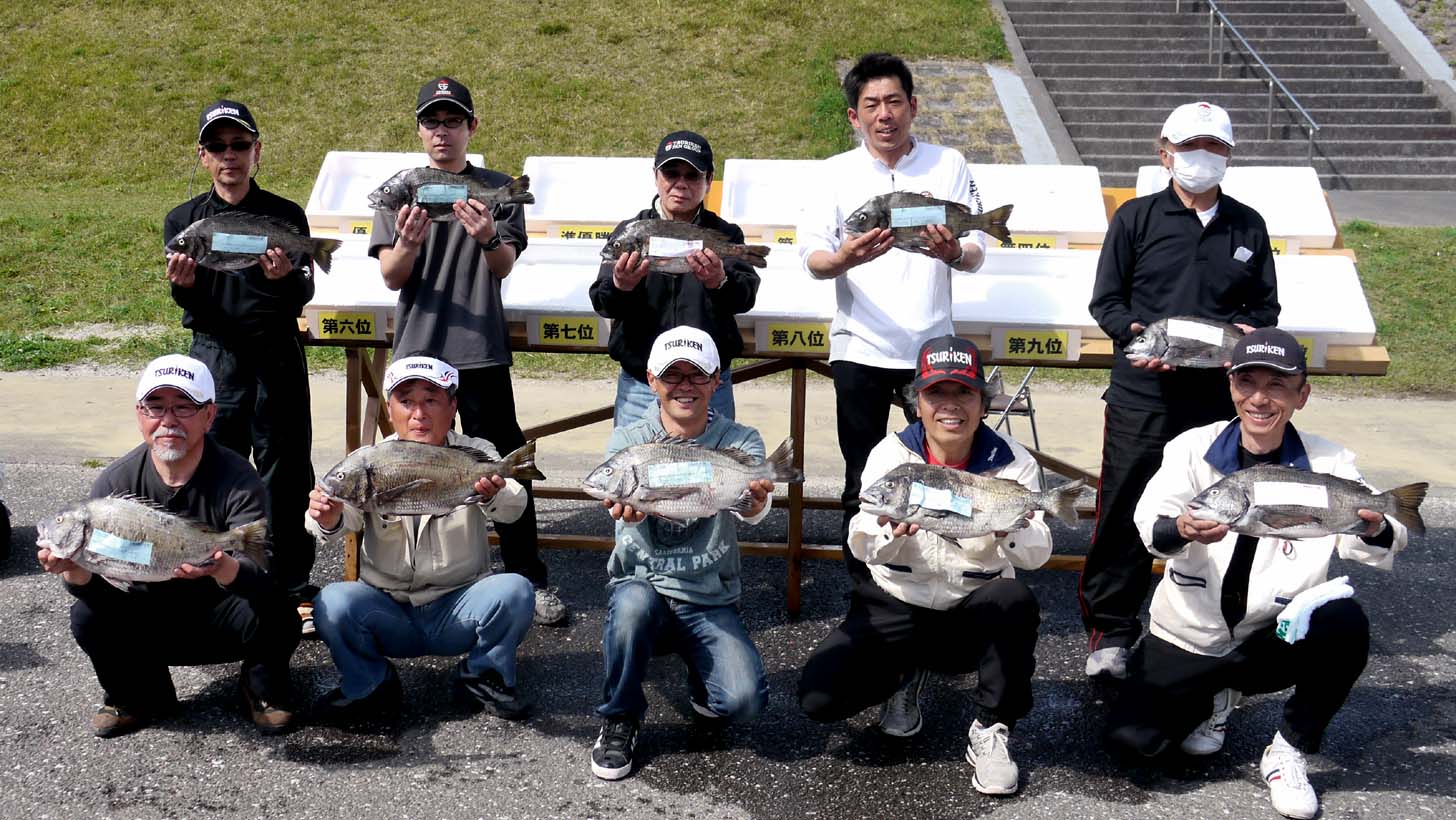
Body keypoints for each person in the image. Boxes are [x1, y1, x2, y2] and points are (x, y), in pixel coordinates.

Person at [1106, 328, 1410, 820]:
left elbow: (1387, 536)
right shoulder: (1191, 447)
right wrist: (1181, 528)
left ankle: (1289, 749)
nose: (1260, 399)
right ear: (1231, 386)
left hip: (1274, 637)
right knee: (1132, 744)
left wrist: (1374, 524)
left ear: (1301, 396)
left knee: (1344, 622)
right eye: (1247, 382)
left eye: (1278, 386)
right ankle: (1215, 696)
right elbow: (1149, 527)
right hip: (1191, 634)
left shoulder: (1330, 461)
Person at [1081, 101, 1280, 679]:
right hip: (1142, 394)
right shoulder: (1136, 218)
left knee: (1215, 509)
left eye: (1215, 147)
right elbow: (1106, 301)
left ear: (1229, 156)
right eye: (1191, 146)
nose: (1203, 157)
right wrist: (1133, 334)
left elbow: (1264, 307)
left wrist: (1248, 331)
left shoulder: (1248, 224)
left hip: (1216, 398)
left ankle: (1201, 628)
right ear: (1164, 152)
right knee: (1124, 509)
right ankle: (1111, 630)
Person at [798, 336, 1048, 796]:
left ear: (983, 403)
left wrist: (1005, 530)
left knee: (1013, 599)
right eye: (936, 393)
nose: (950, 406)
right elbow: (861, 540)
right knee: (819, 699)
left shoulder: (1013, 462)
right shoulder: (892, 457)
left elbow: (1036, 555)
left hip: (970, 608)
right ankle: (902, 675)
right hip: (898, 602)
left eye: (964, 393)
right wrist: (890, 532)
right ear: (917, 404)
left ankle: (992, 728)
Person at [369, 77, 565, 627]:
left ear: (471, 127)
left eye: (453, 120)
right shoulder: (402, 189)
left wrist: (487, 237)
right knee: (413, 467)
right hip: (418, 349)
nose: (442, 131)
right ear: (419, 129)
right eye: (432, 121)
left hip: (479, 349)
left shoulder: (497, 188)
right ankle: (410, 577)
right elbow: (391, 275)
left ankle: (528, 576)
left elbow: (502, 266)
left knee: (506, 461)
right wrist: (407, 243)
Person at [796, 52, 989, 576]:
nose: (885, 114)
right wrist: (844, 258)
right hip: (859, 347)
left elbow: (976, 251)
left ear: (913, 107)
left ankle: (937, 584)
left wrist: (954, 252)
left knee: (942, 474)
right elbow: (812, 258)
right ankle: (865, 592)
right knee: (862, 480)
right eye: (872, 104)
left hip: (933, 353)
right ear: (854, 116)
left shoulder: (948, 164)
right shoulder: (834, 173)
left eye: (895, 102)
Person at [36, 355, 299, 737]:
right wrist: (75, 571)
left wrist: (222, 567)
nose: (168, 420)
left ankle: (262, 688)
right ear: (139, 414)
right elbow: (101, 587)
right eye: (155, 407)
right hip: (146, 617)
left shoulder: (238, 476)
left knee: (281, 611)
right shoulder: (114, 484)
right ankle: (135, 696)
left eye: (183, 407)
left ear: (209, 416)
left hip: (219, 615)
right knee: (86, 617)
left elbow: (262, 567)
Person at [305, 354, 534, 725]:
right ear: (390, 409)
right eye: (406, 401)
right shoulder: (368, 461)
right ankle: (369, 684)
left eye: (431, 400)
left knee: (516, 591)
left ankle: (483, 675)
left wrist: (492, 494)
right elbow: (334, 521)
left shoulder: (476, 451)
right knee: (332, 602)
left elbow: (514, 507)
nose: (419, 414)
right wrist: (327, 517)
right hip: (388, 611)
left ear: (452, 407)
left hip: (458, 608)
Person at [588, 326, 772, 782]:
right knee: (632, 606)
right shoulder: (629, 442)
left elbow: (753, 511)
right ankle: (620, 716)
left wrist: (756, 497)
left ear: (716, 381)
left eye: (697, 375)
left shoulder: (741, 440)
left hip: (709, 594)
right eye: (673, 375)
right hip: (643, 585)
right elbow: (622, 502)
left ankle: (701, 675)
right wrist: (629, 514)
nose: (684, 386)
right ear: (652, 380)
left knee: (743, 702)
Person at [164, 100, 318, 627]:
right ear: (203, 155)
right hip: (214, 357)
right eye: (218, 146)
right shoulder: (183, 221)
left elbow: (302, 293)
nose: (229, 155)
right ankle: (212, 578)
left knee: (286, 473)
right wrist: (184, 288)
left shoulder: (285, 215)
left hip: (276, 352)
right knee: (211, 469)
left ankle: (292, 586)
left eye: (239, 145)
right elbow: (190, 303)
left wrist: (283, 280)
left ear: (257, 151)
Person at [589, 130, 760, 425]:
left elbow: (745, 297)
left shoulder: (726, 234)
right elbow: (602, 301)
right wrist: (621, 286)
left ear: (709, 180)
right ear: (656, 176)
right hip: (641, 384)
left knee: (715, 456)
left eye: (692, 175)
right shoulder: (630, 232)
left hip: (709, 385)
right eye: (671, 173)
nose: (681, 184)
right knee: (634, 456)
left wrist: (719, 282)